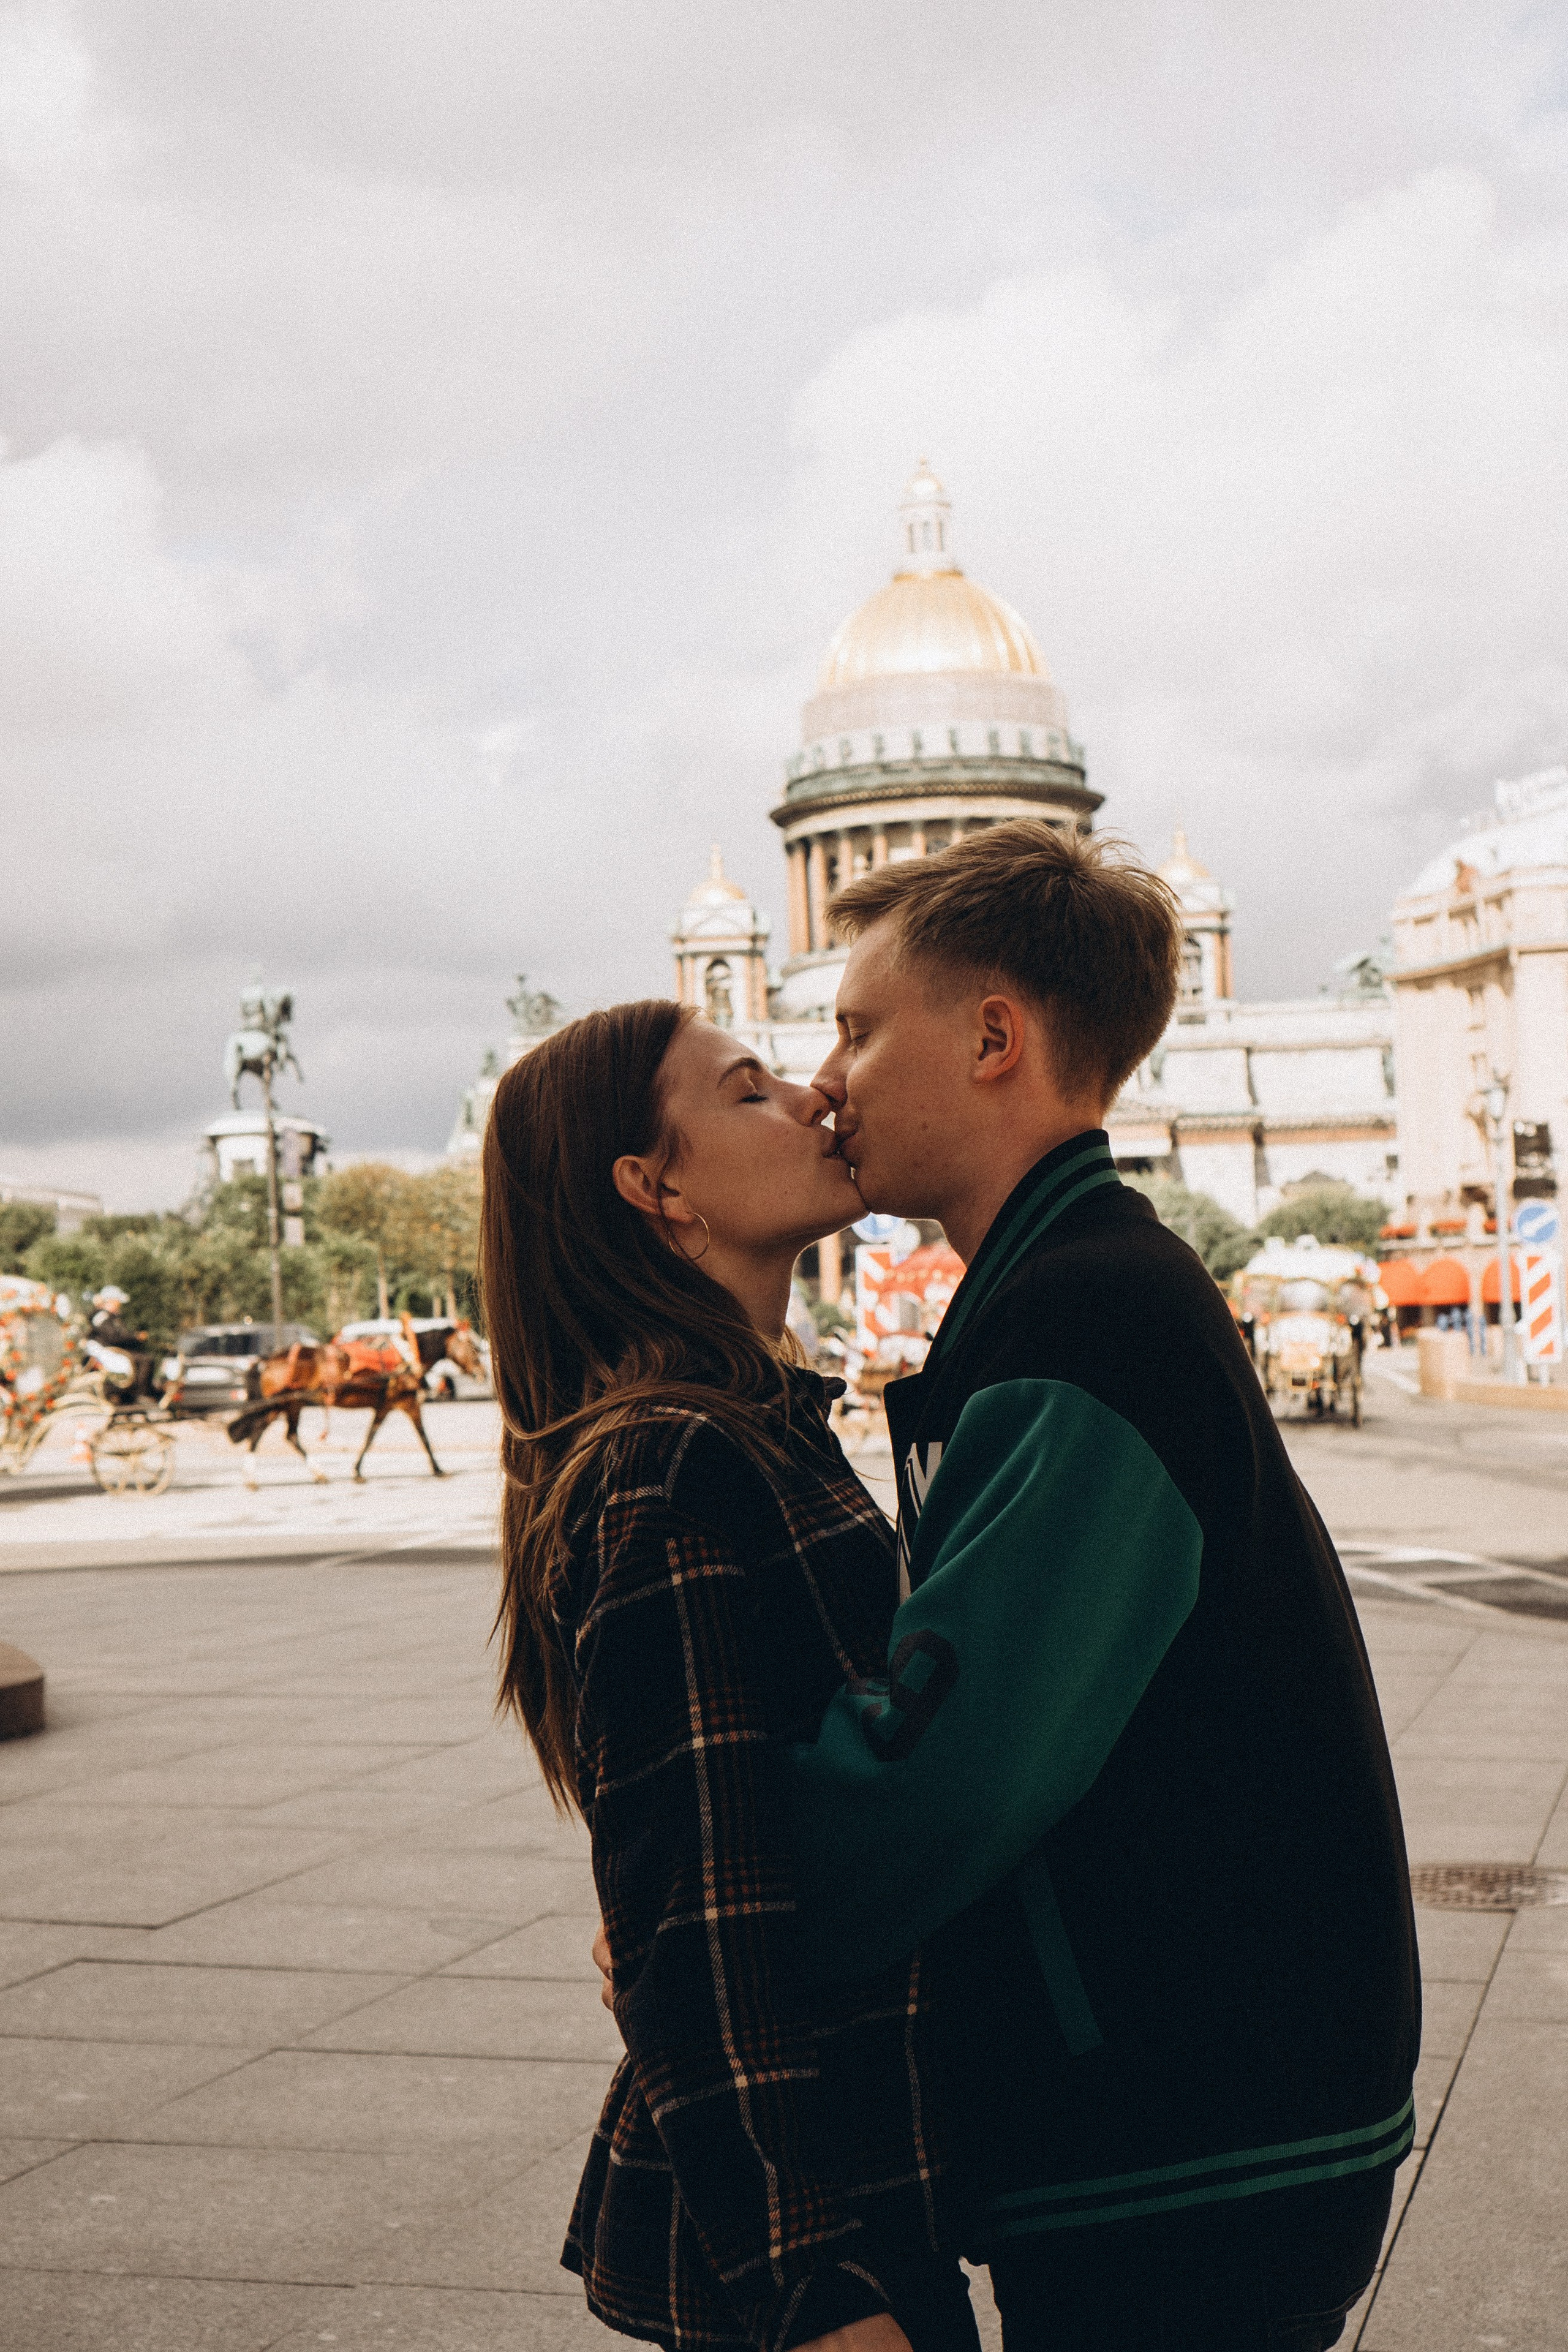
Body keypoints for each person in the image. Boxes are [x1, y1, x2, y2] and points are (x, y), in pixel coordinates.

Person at [778, 819, 1420, 2351]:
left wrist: (711, 1905)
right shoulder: (1076, 1293)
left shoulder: (1084, 1327)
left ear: (994, 1036)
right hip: (1201, 2103)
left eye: (859, 1030)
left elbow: (945, 1775)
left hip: (1188, 2130)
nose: (823, 1080)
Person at [479, 1001, 979, 2352]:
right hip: (817, 2226)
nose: (816, 1098)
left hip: (850, 2172)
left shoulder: (748, 1428)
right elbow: (697, 1916)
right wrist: (811, 2285)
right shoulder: (676, 1462)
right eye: (750, 1091)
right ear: (657, 1189)